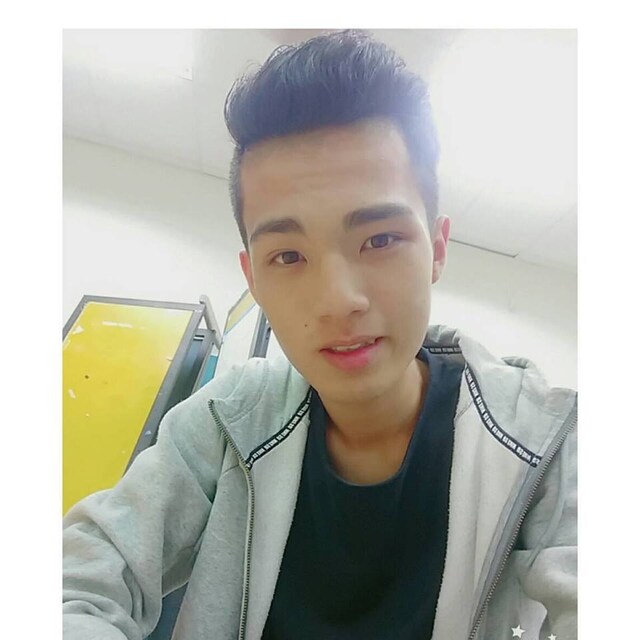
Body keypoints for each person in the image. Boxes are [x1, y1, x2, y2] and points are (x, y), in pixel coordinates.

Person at [63, 30, 577, 640]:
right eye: (287, 256)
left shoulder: (543, 438)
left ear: (437, 248)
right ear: (253, 278)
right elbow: (77, 578)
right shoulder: (226, 423)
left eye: (380, 239)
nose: (338, 301)